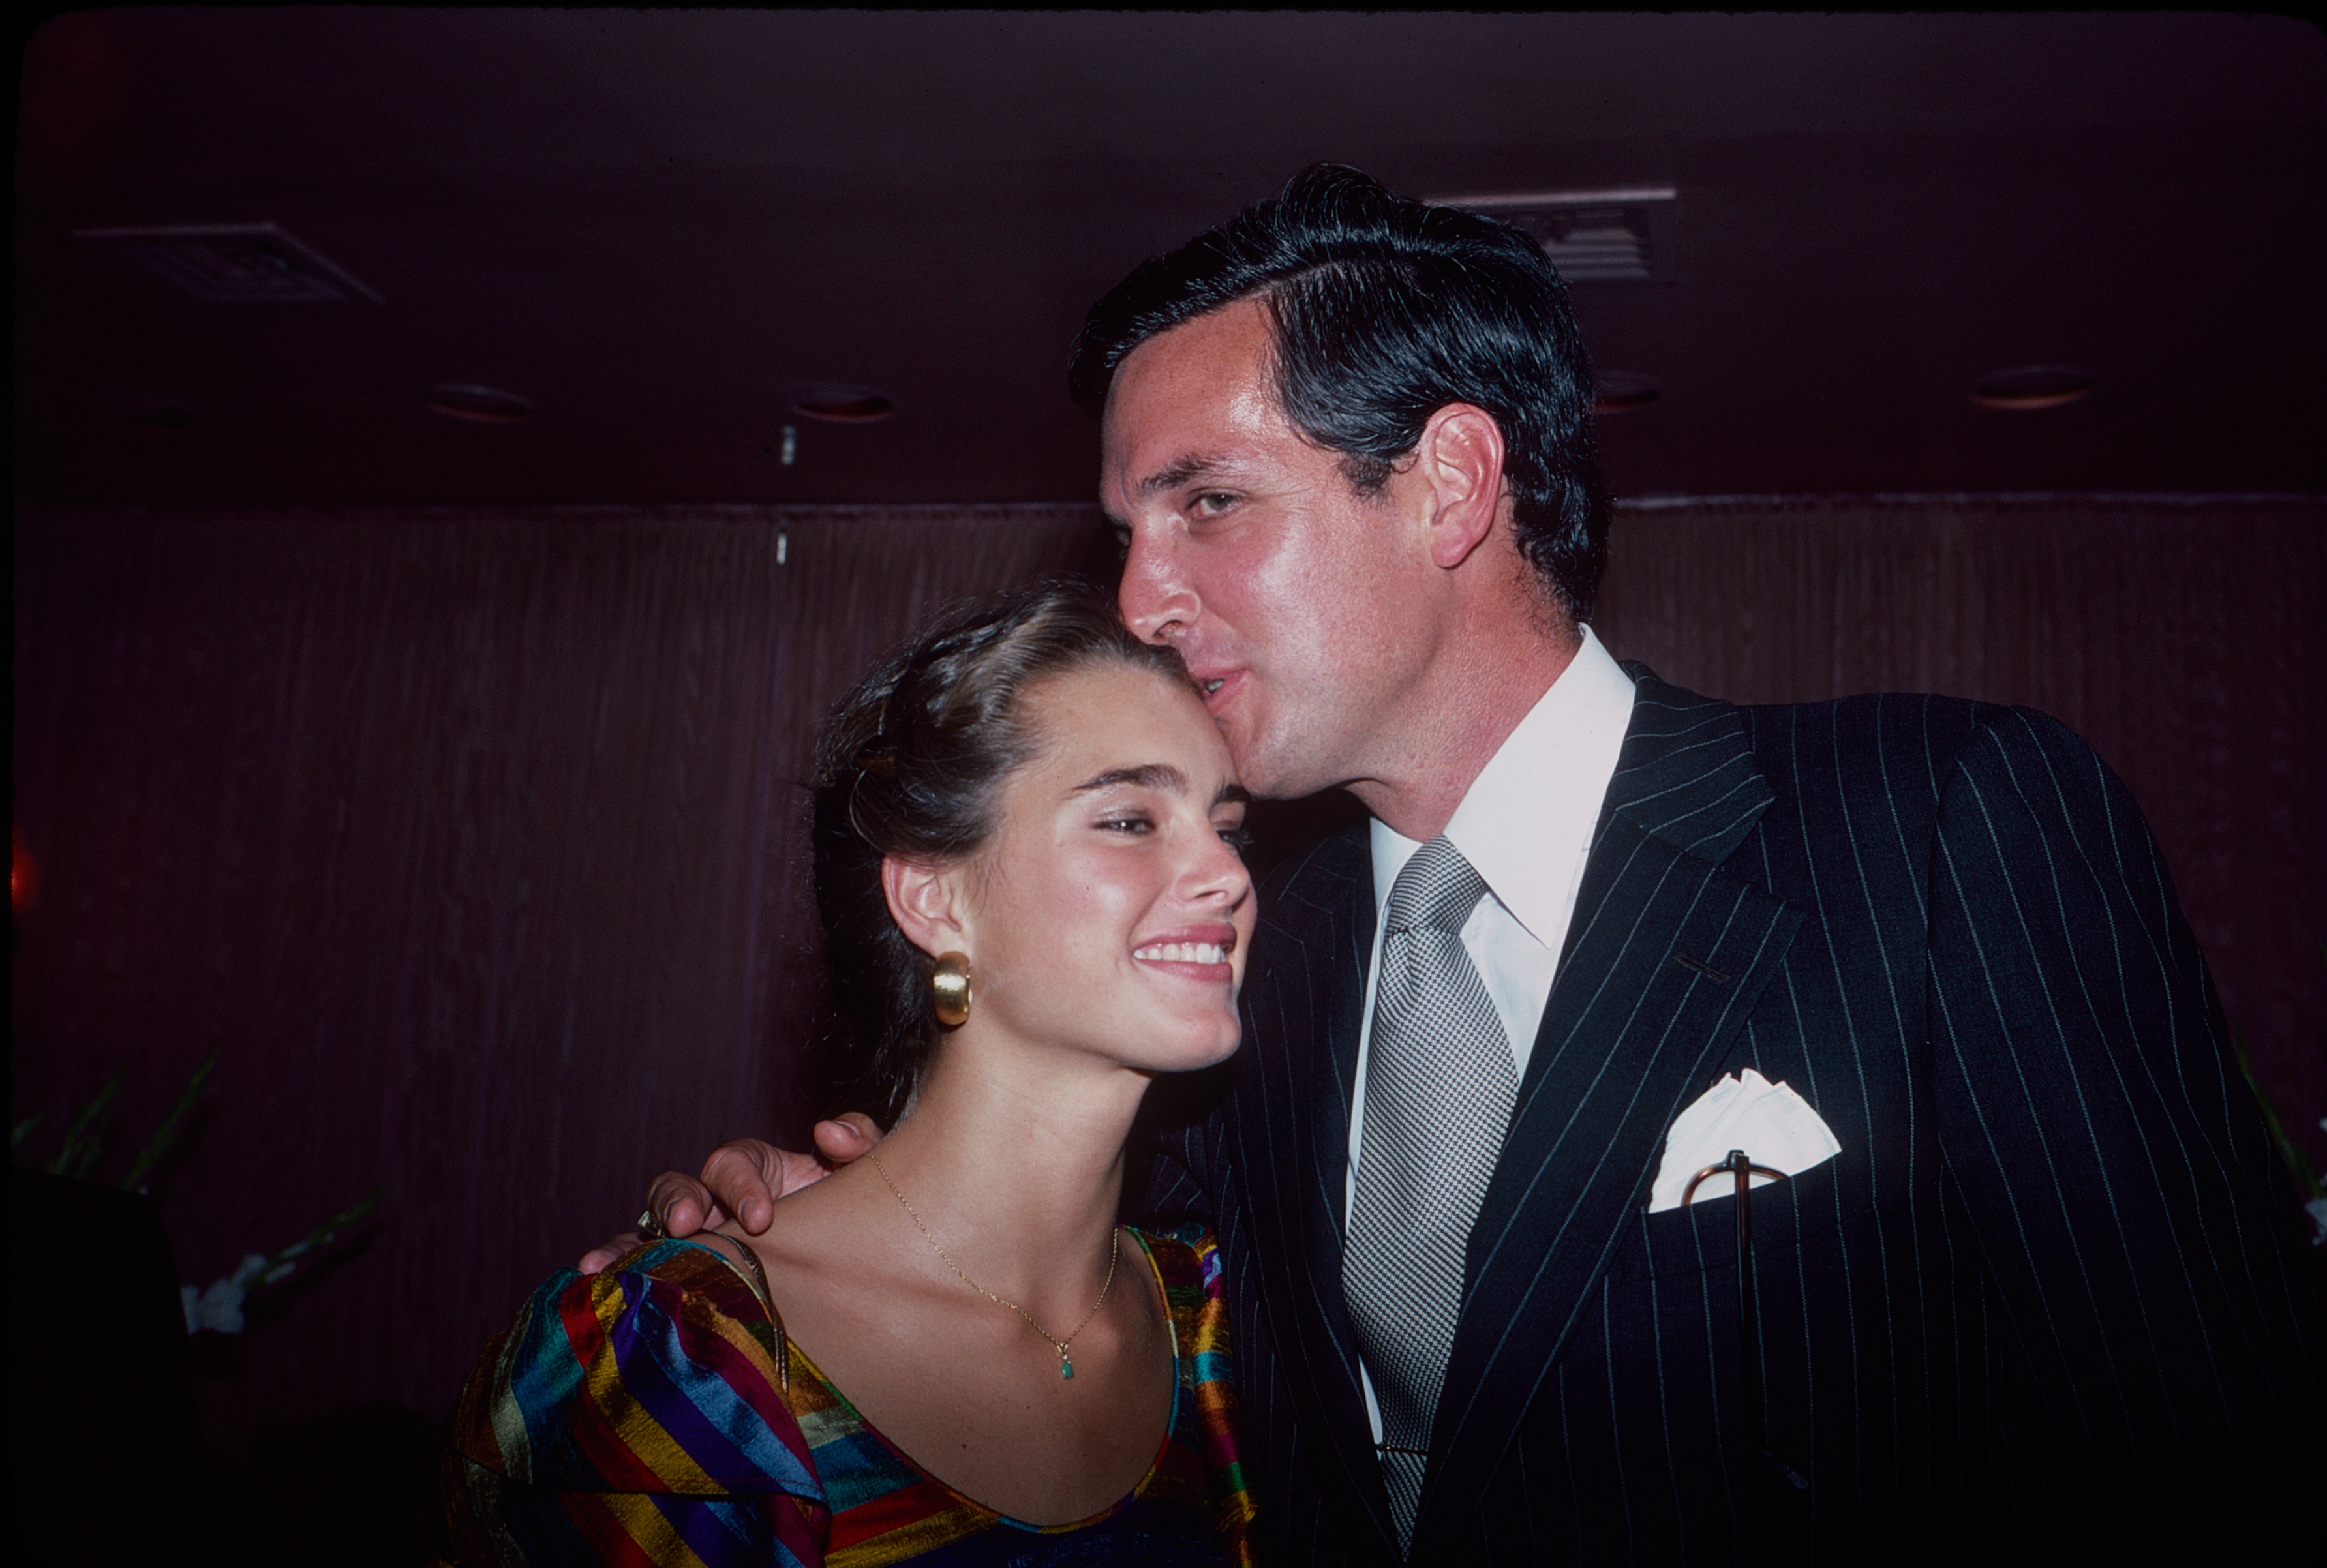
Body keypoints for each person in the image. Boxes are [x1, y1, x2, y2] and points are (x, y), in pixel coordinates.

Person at [621, 168, 2324, 1563]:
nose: (1137, 601)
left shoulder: (1942, 825)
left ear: (1446, 485)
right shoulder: (1235, 969)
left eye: (1206, 503)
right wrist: (820, 1234)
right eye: (1126, 532)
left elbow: (2229, 1458)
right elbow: (1085, 1290)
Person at [450, 585, 1260, 1566]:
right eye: (1131, 820)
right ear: (932, 897)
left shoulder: (1220, 1322)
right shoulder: (686, 1361)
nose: (1227, 872)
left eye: (1228, 826)